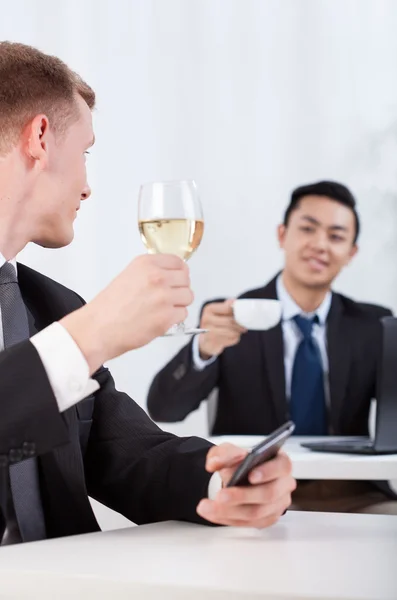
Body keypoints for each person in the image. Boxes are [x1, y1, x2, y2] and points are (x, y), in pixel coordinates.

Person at [0, 42, 295, 545]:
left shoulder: (48, 307)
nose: (88, 187)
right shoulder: (74, 328)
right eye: (85, 152)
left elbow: (121, 454)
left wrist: (220, 480)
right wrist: (86, 339)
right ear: (41, 138)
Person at [147, 180, 397, 513]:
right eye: (308, 229)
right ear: (282, 234)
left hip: (352, 490)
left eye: (336, 236)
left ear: (351, 253)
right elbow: (164, 408)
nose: (320, 245)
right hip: (256, 490)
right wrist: (204, 348)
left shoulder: (373, 324)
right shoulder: (231, 315)